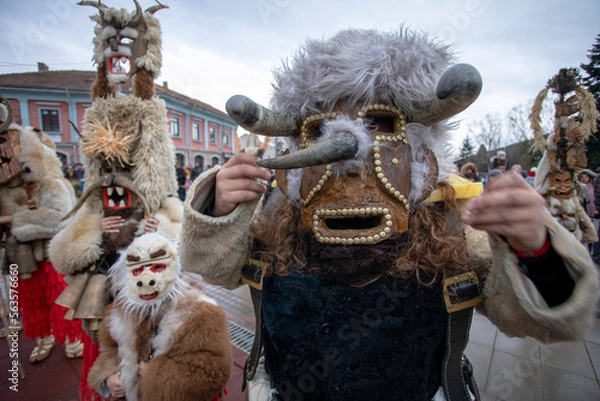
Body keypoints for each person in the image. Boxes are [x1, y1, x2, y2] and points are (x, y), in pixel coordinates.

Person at [180, 28, 598, 401]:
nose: (351, 150)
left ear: (419, 146)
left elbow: (541, 322)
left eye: (380, 123)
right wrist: (218, 206)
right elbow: (212, 271)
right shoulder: (273, 214)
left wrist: (536, 249)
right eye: (321, 128)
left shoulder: (452, 224)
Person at [88, 233, 232, 401]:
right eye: (138, 270)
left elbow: (211, 370)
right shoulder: (118, 312)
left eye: (157, 268)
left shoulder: (199, 312)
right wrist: (109, 377)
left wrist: (153, 376)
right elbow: (110, 349)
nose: (146, 279)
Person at [0, 122, 83, 364]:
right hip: (21, 255)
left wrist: (12, 220)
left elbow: (60, 217)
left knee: (60, 296)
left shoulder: (47, 180)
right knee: (30, 299)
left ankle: (72, 338)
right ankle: (44, 337)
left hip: (48, 253)